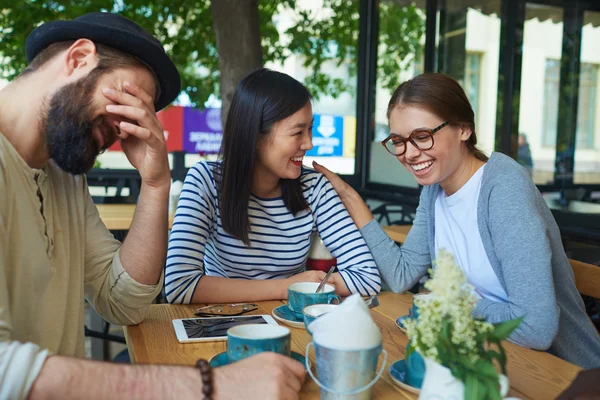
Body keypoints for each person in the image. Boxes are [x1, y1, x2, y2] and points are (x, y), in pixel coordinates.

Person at [0, 12, 304, 399]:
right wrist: (210, 385)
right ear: (78, 59)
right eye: (127, 99)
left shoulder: (63, 177)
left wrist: (156, 184)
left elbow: (123, 301)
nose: (125, 127)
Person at [313, 73, 600, 369]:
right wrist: (351, 199)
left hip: (561, 373)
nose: (410, 153)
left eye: (422, 136)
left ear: (463, 129)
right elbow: (402, 275)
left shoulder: (504, 189)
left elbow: (537, 328)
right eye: (398, 141)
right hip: (483, 357)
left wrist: (450, 303)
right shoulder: (434, 191)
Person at [165, 68, 381, 304]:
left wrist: (301, 285)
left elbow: (367, 277)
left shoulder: (314, 187)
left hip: (292, 326)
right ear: (256, 136)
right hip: (223, 323)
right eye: (298, 132)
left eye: (310, 129)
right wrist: (286, 287)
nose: (309, 143)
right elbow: (179, 285)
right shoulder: (206, 181)